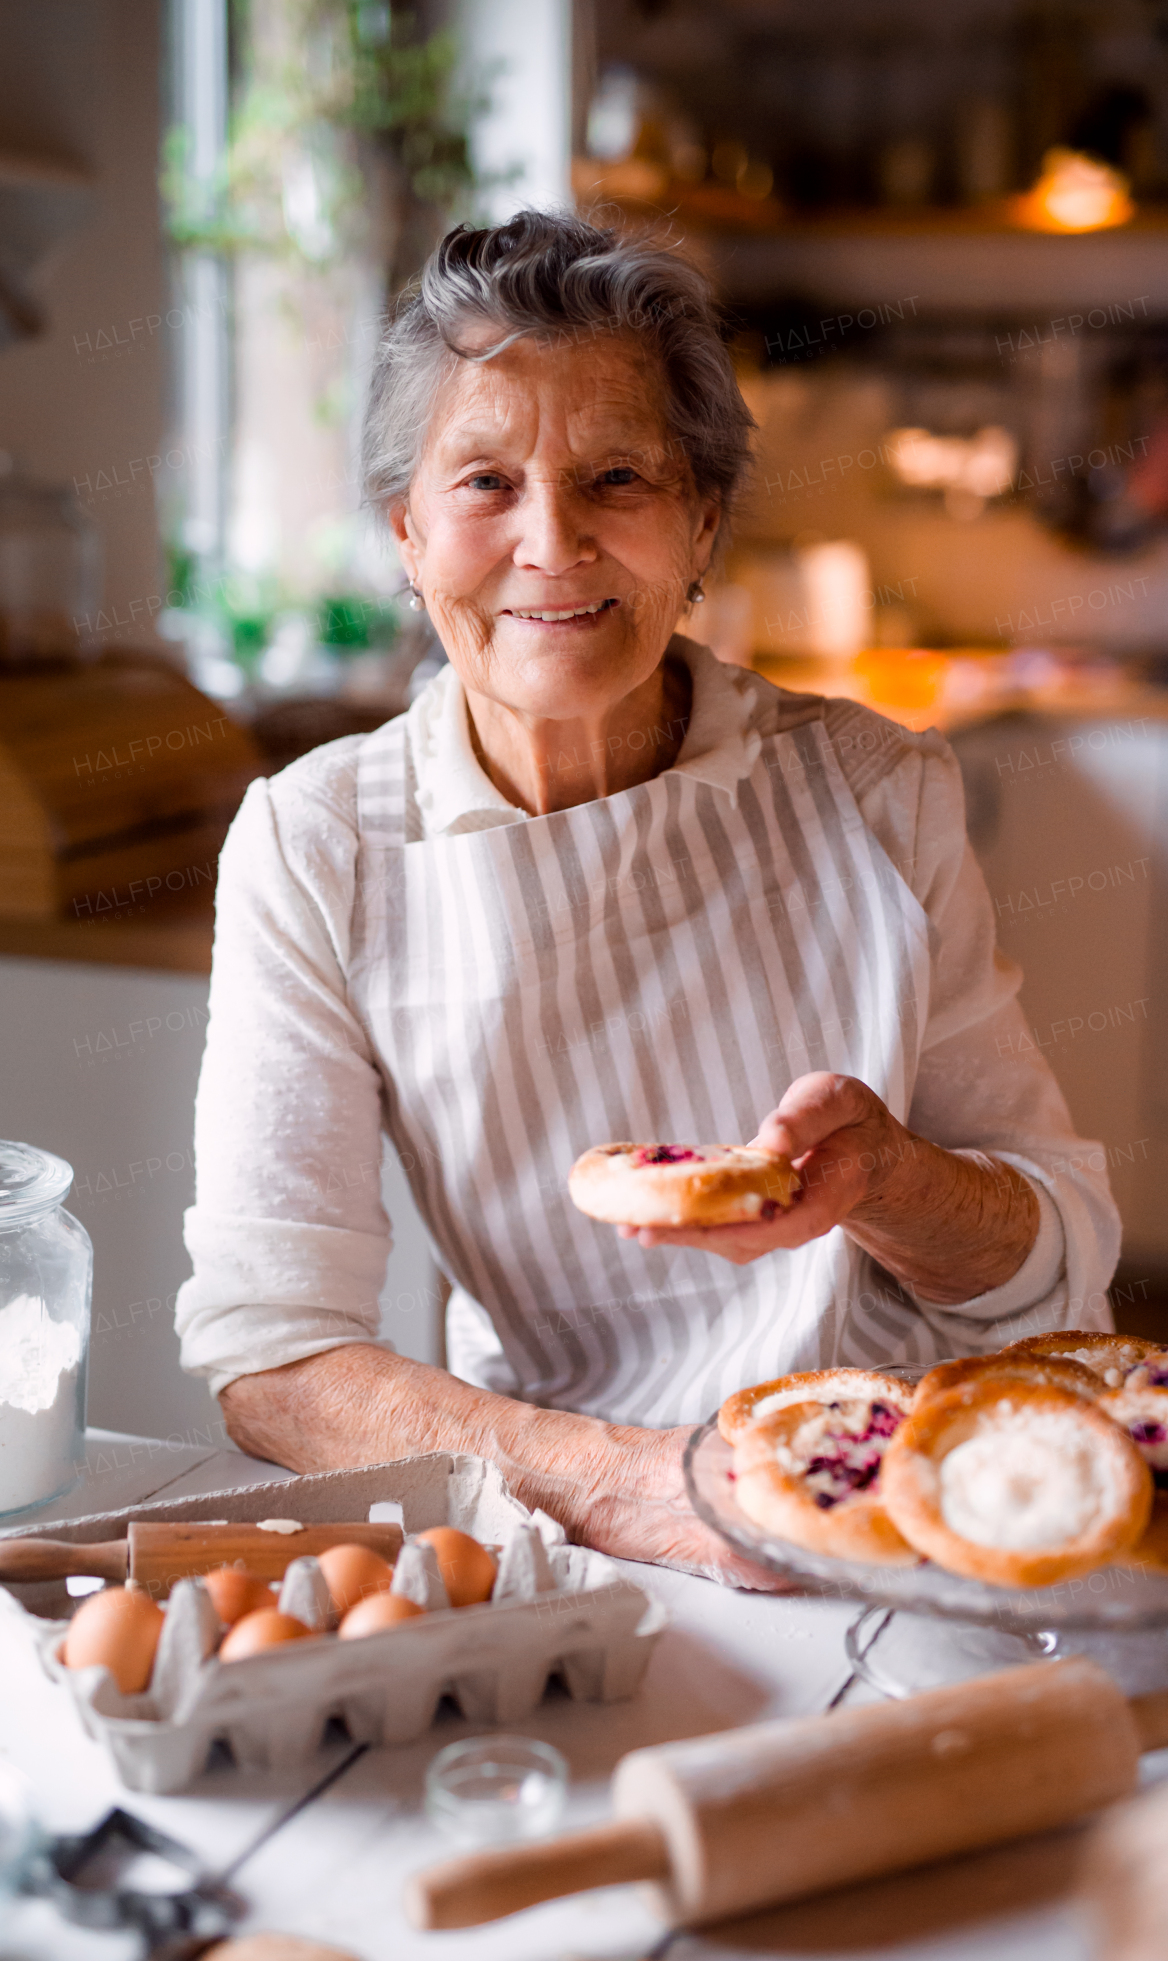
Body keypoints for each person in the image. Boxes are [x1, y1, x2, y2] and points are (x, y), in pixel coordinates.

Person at [176, 211, 1118, 1581]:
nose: (550, 543)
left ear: (703, 527)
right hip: (564, 1517)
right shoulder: (318, 846)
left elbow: (1057, 1263)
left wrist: (887, 1180)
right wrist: (638, 1484)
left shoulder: (871, 791)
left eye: (616, 477)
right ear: (405, 531)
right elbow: (273, 1353)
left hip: (911, 1499)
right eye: (485, 481)